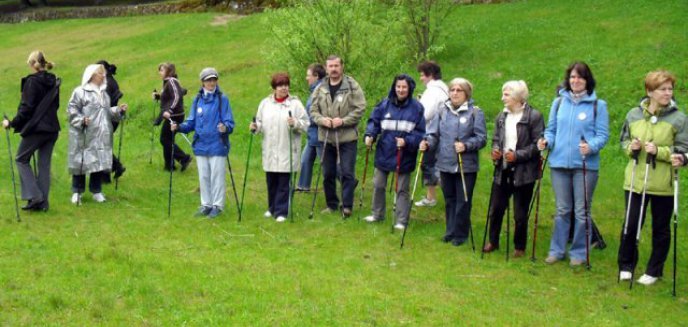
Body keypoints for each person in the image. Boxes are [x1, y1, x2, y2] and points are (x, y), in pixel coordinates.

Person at [617, 70, 688, 285]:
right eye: (663, 89)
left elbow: (684, 150)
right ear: (650, 91)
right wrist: (632, 147)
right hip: (635, 181)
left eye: (670, 89)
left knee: (661, 228)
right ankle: (626, 265)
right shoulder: (633, 114)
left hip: (663, 183)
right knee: (631, 224)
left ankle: (654, 270)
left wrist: (661, 152)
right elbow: (624, 141)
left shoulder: (679, 118)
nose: (668, 93)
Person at [537, 61, 609, 266]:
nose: (575, 81)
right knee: (562, 209)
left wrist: (591, 146)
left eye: (580, 77)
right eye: (572, 77)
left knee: (581, 210)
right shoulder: (559, 103)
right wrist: (546, 141)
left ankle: (579, 252)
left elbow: (603, 135)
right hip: (559, 163)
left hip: (585, 166)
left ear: (588, 81)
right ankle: (557, 250)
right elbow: (551, 130)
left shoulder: (598, 105)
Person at [420, 77, 486, 246]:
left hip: (466, 165)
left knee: (463, 200)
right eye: (452, 90)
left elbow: (481, 138)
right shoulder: (443, 111)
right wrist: (427, 143)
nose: (455, 93)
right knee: (449, 199)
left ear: (467, 93)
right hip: (445, 162)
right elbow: (434, 134)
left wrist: (466, 145)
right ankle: (449, 231)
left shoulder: (475, 112)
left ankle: (461, 234)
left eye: (459, 90)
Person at [482, 80, 544, 257]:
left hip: (524, 172)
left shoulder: (534, 116)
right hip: (502, 168)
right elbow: (496, 138)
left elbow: (536, 145)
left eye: (506, 94)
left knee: (520, 212)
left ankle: (519, 247)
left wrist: (517, 155)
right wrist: (495, 150)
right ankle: (493, 241)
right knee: (496, 208)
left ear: (517, 97)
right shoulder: (501, 117)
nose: (503, 98)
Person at [363, 74, 425, 230]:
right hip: (384, 150)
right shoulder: (384, 104)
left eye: (404, 87)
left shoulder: (417, 108)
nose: (401, 90)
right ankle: (377, 214)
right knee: (378, 184)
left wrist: (407, 141)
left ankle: (401, 220)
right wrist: (370, 135)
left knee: (402, 189)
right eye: (398, 86)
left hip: (404, 154)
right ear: (394, 87)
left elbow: (420, 132)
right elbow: (374, 122)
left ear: (409, 88)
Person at [171, 67, 234, 219]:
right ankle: (206, 204)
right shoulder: (197, 99)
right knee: (204, 176)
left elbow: (229, 122)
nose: (211, 83)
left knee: (216, 176)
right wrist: (179, 127)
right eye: (208, 80)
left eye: (214, 79)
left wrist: (224, 127)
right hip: (201, 145)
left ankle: (217, 206)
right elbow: (191, 122)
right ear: (202, 82)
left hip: (217, 144)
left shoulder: (222, 99)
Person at [1, 50, 60, 211]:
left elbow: (26, 108)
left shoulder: (32, 82)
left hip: (38, 128)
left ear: (32, 64)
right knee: (44, 166)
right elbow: (56, 106)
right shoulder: (53, 80)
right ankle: (42, 204)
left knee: (21, 159)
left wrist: (11, 123)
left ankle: (35, 197)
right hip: (52, 129)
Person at [309, 55, 367, 218]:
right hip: (325, 136)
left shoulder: (352, 85)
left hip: (347, 137)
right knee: (328, 173)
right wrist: (322, 120)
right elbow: (312, 110)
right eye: (330, 66)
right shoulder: (320, 88)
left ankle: (347, 206)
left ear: (342, 67)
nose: (333, 69)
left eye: (336, 66)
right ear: (326, 69)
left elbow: (360, 108)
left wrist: (343, 121)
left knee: (347, 172)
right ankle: (331, 204)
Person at [250, 73, 309, 222]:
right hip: (270, 148)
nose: (284, 88)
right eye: (280, 85)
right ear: (274, 88)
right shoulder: (265, 103)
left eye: (286, 85)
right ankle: (272, 208)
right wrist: (255, 127)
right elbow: (260, 123)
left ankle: (282, 211)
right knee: (271, 181)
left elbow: (307, 123)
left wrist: (295, 123)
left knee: (283, 181)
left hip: (287, 148)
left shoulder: (295, 104)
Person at [67, 64, 128, 204]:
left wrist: (118, 110)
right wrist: (81, 120)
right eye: (101, 74)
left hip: (101, 134)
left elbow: (107, 112)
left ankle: (96, 191)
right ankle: (77, 192)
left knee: (98, 161)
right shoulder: (80, 92)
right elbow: (72, 110)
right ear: (93, 75)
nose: (104, 76)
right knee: (80, 161)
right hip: (85, 133)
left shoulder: (104, 94)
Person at [414, 61, 448, 208]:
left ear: (430, 75)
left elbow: (426, 114)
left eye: (422, 75)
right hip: (442, 131)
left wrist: (418, 105)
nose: (421, 78)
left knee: (428, 163)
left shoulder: (433, 91)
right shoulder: (443, 89)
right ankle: (433, 195)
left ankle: (431, 197)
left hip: (432, 132)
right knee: (434, 163)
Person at [153, 62, 192, 172]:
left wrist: (169, 110)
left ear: (169, 71)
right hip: (172, 114)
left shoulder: (172, 81)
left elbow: (176, 97)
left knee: (165, 139)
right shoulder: (167, 82)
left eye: (162, 70)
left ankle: (184, 158)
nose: (159, 72)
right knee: (167, 139)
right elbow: (168, 97)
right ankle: (169, 166)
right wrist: (158, 97)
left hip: (175, 115)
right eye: (159, 70)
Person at [296, 63, 326, 192]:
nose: (306, 78)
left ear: (316, 76)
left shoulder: (321, 91)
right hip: (312, 134)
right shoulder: (315, 89)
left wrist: (305, 121)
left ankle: (348, 182)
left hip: (319, 134)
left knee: (326, 165)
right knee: (305, 160)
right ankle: (303, 186)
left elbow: (319, 114)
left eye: (308, 76)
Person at [96, 60, 126, 182]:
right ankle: (109, 173)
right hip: (113, 118)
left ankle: (113, 169)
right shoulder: (110, 80)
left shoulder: (106, 83)